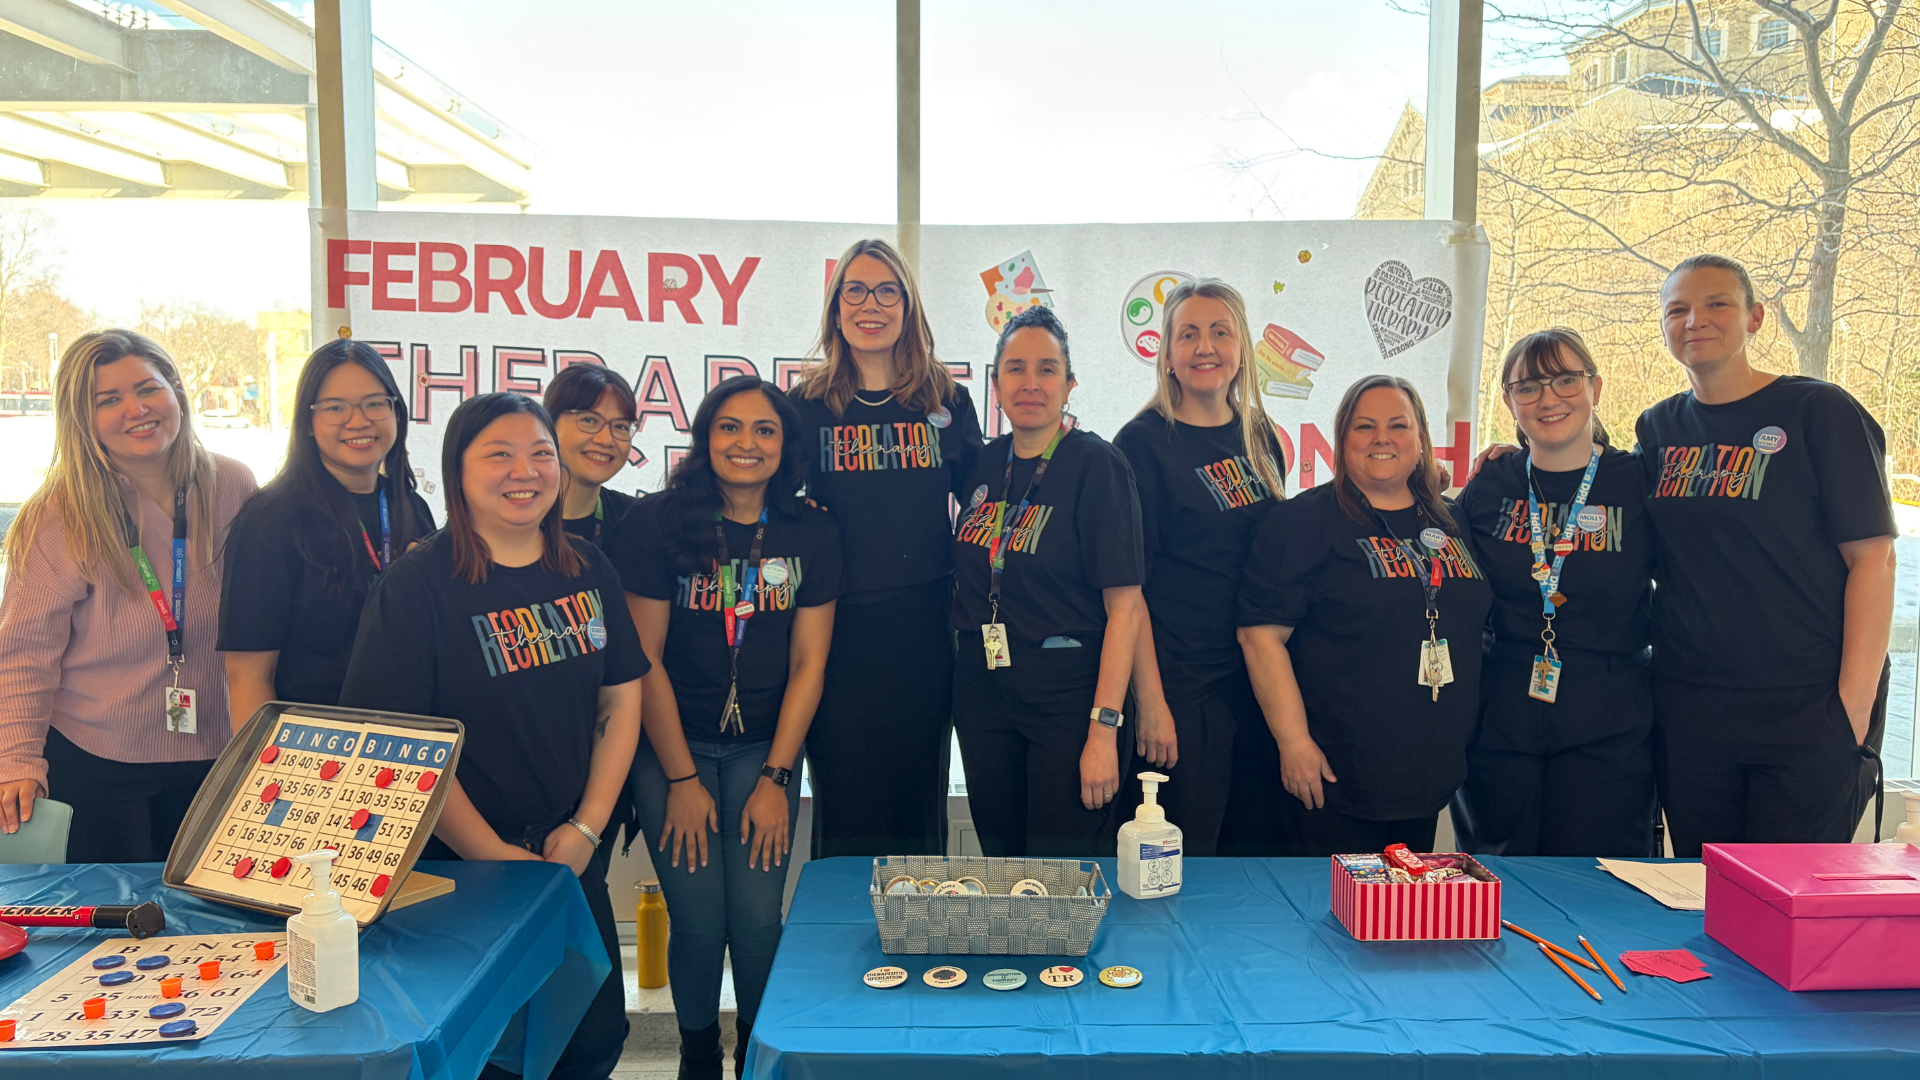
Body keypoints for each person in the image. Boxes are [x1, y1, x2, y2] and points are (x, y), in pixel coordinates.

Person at [338, 392, 647, 1080]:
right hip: (462, 871)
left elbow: (622, 701)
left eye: (540, 453)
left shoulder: (588, 569)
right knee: (492, 1053)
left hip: (570, 854)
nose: (525, 471)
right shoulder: (417, 586)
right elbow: (400, 750)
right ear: (458, 471)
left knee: (591, 1037)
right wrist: (495, 858)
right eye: (499, 454)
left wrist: (588, 831)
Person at [615, 375, 838, 1080]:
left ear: (785, 445)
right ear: (705, 438)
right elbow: (643, 658)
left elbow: (810, 664)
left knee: (757, 919)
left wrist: (777, 775)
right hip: (670, 747)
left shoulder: (811, 530)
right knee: (700, 920)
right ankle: (698, 1053)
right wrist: (680, 777)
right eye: (730, 428)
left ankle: (759, 1054)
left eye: (765, 430)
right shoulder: (656, 523)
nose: (747, 443)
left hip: (761, 749)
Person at [1637, 254, 1895, 855]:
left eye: (1717, 304)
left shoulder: (1819, 412)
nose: (1695, 320)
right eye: (1677, 309)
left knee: (1787, 906)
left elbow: (1874, 562)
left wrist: (1850, 712)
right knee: (1706, 893)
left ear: (1754, 318)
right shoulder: (1659, 427)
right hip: (1690, 707)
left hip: (1806, 707)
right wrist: (1509, 451)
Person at [0, 330, 256, 859]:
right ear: (81, 417)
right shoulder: (58, 513)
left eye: (148, 389)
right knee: (117, 926)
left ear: (177, 392)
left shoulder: (233, 486)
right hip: (99, 757)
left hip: (220, 756)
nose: (136, 409)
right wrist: (17, 758)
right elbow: (24, 652)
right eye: (108, 399)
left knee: (212, 924)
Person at [1236, 375, 1491, 855]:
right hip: (1332, 775)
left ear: (1420, 439)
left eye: (1399, 425)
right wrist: (1293, 742)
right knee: (1328, 918)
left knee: (1399, 921)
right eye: (1364, 426)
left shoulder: (1452, 522)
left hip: (1426, 773)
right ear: (1341, 438)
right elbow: (1259, 638)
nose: (1382, 438)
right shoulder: (1301, 523)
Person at [791, 238, 982, 858]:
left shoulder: (947, 401)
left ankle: (919, 941)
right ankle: (843, 948)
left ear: (908, 305)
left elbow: (985, 512)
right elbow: (776, 510)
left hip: (924, 627)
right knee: (844, 796)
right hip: (834, 630)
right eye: (856, 290)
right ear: (836, 307)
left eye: (886, 290)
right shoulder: (805, 406)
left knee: (915, 797)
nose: (870, 304)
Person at [1449, 330, 1656, 857]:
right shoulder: (1491, 481)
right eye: (1529, 387)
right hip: (1503, 710)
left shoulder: (1638, 482)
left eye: (1565, 380)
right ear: (1508, 402)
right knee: (1495, 879)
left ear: (1596, 388)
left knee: (1599, 877)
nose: (1548, 399)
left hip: (1609, 712)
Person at [950, 305, 1146, 857]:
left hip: (1067, 692)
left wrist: (1104, 727)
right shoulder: (985, 466)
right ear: (995, 384)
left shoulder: (1098, 467)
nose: (1030, 383)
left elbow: (1126, 610)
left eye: (1046, 369)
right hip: (983, 689)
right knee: (1003, 865)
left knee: (1062, 874)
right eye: (1015, 368)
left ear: (1069, 384)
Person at [1113, 279, 1286, 857]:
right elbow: (1128, 594)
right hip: (1182, 692)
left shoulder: (1261, 437)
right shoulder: (1141, 446)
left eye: (1219, 332)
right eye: (1188, 334)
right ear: (1165, 352)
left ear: (1241, 348)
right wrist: (1151, 703)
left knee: (1250, 859)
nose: (1204, 347)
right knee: (1183, 869)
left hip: (1255, 685)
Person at [220, 339, 434, 726]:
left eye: (375, 403)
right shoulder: (270, 520)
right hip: (311, 750)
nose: (359, 421)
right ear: (307, 422)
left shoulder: (411, 508)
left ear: (396, 412)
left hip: (405, 742)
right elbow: (248, 677)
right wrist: (269, 773)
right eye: (336, 408)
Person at [544, 363, 641, 551]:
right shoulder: (512, 516)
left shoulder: (638, 521)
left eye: (621, 426)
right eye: (589, 420)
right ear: (549, 425)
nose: (606, 440)